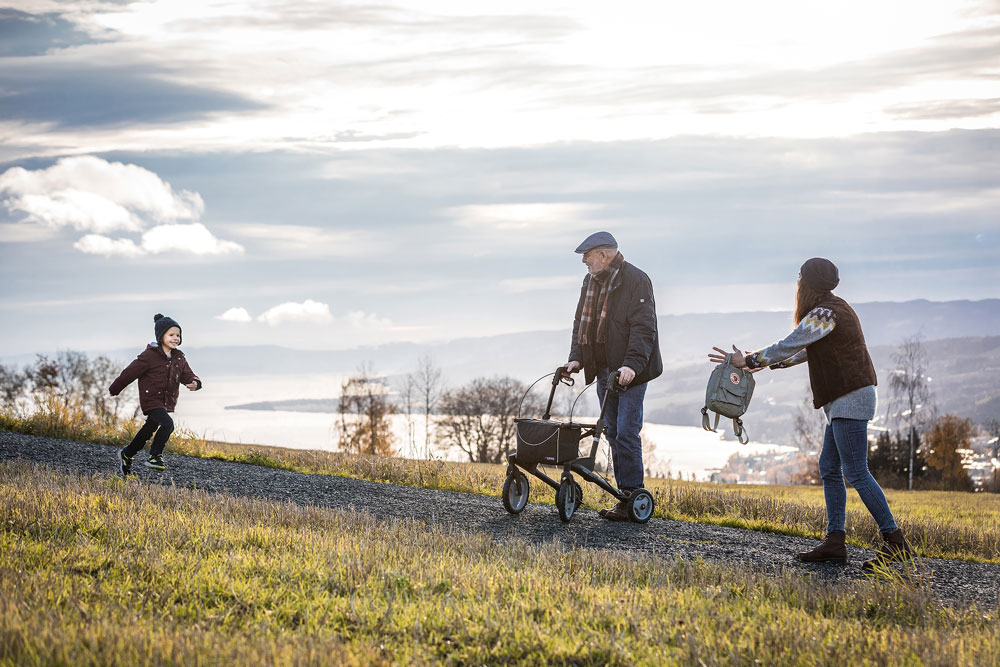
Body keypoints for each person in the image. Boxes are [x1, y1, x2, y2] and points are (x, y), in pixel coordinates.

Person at [708, 258, 911, 570]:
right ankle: (835, 541)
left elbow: (792, 343)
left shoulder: (826, 312)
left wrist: (750, 358)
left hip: (850, 398)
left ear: (806, 283)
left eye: (799, 278)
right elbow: (806, 350)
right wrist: (756, 363)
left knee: (856, 472)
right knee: (829, 467)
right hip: (846, 400)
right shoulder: (833, 309)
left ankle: (895, 541)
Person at [564, 231, 662, 521]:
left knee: (626, 431)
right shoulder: (591, 282)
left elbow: (643, 328)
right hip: (604, 369)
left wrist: (631, 365)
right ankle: (624, 499)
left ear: (604, 255)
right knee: (611, 431)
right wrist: (576, 357)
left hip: (630, 371)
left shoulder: (636, 280)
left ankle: (632, 495)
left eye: (588, 255)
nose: (584, 260)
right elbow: (581, 321)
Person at [110, 314, 202, 475]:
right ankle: (155, 456)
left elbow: (188, 374)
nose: (175, 338)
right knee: (167, 424)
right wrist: (115, 388)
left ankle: (127, 453)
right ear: (161, 337)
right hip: (151, 398)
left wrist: (195, 382)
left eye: (178, 335)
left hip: (165, 401)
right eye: (171, 335)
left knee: (149, 429)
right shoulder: (149, 356)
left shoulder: (179, 358)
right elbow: (130, 372)